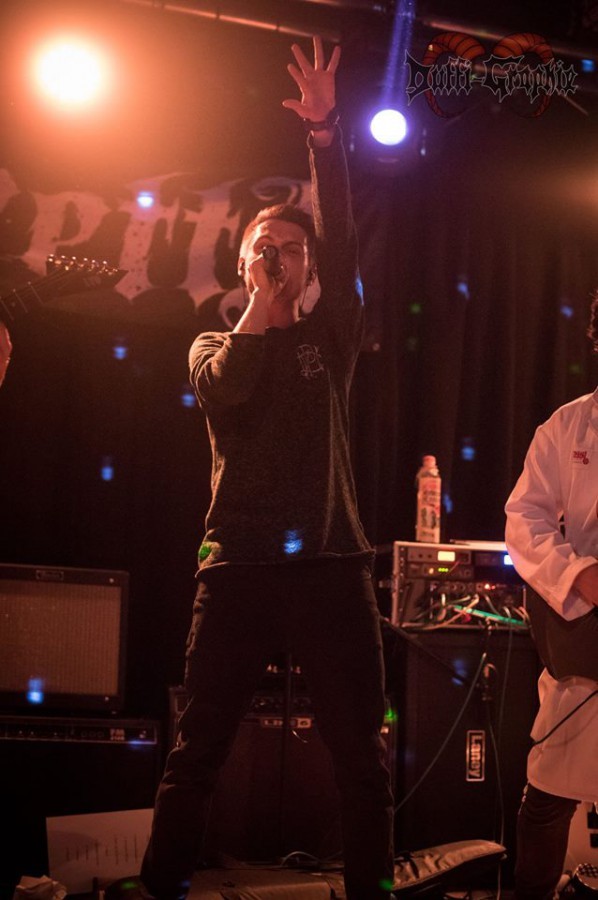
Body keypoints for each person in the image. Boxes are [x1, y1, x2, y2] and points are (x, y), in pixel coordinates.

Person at [138, 36, 395, 900]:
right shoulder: (212, 344)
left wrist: (324, 134)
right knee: (197, 751)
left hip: (331, 565)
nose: (278, 253)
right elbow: (227, 393)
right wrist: (258, 304)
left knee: (361, 754)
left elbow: (342, 231)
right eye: (263, 246)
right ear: (243, 262)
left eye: (291, 246)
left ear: (312, 266)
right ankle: (162, 887)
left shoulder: (334, 333)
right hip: (238, 568)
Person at [504, 295, 598, 900]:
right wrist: (581, 574)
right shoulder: (568, 426)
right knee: (548, 792)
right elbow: (525, 520)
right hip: (586, 632)